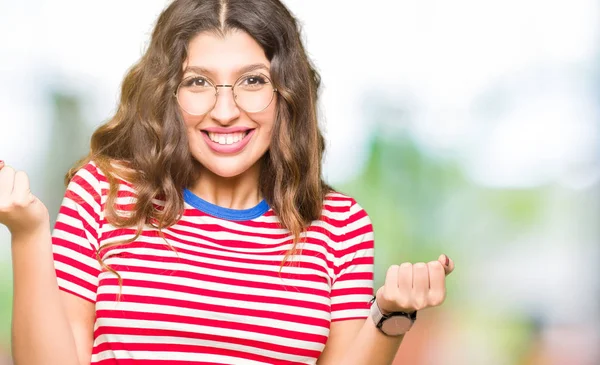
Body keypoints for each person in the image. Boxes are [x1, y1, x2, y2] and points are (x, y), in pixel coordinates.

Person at [0, 0, 455, 364]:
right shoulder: (103, 193)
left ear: (286, 94)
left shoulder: (339, 226)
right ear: (167, 94)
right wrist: (28, 234)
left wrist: (390, 315)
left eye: (252, 81)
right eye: (198, 82)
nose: (224, 112)